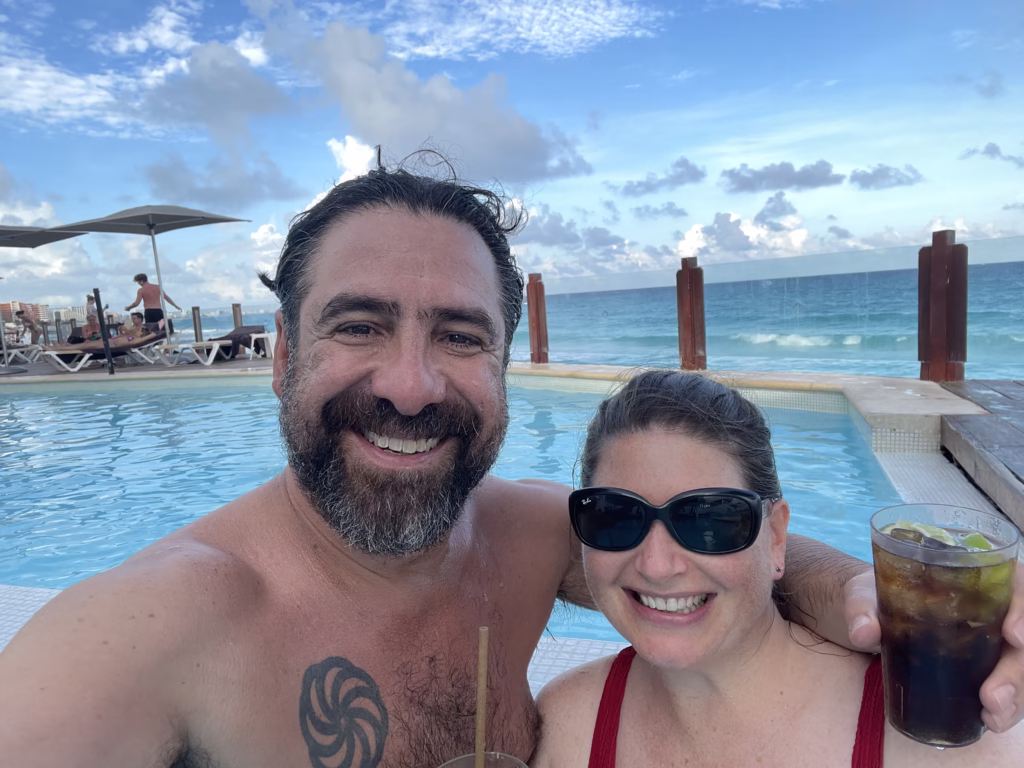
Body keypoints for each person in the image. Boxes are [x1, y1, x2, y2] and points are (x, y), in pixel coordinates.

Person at [1, 158, 1021, 768]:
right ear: (282, 360)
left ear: (502, 367)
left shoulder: (530, 534)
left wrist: (863, 595)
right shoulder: (148, 629)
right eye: (358, 325)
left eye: (458, 336)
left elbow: (695, 550)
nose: (411, 385)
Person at [532, 370, 1023, 767]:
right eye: (616, 515)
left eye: (711, 520)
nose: (658, 565)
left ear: (776, 537)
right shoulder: (567, 727)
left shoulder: (939, 743)